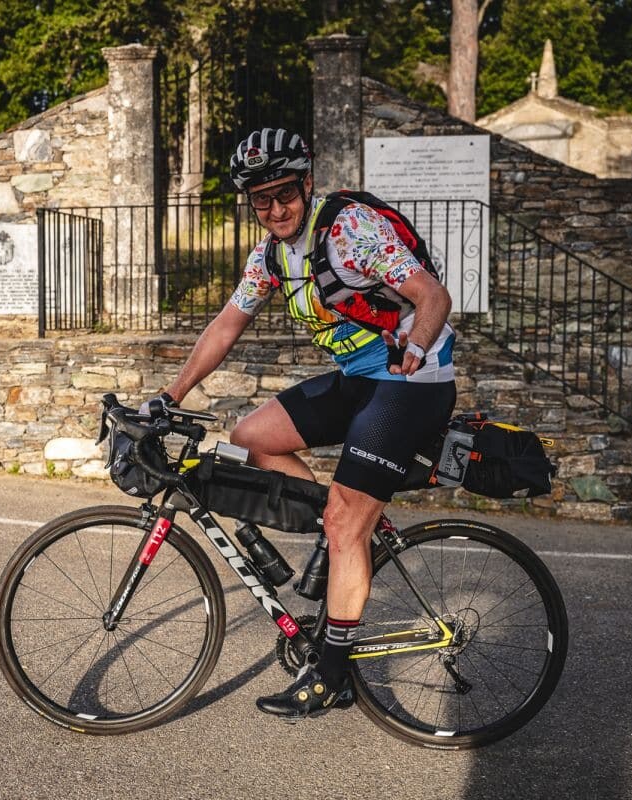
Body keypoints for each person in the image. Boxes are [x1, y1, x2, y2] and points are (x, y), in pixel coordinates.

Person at [141, 128, 457, 720]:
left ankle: (332, 675)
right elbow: (226, 325)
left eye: (285, 193)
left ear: (307, 184)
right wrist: (168, 395)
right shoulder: (270, 256)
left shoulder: (349, 230)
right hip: (359, 379)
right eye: (261, 200)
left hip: (410, 381)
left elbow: (432, 296)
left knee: (343, 522)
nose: (276, 209)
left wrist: (416, 346)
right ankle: (344, 537)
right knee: (251, 437)